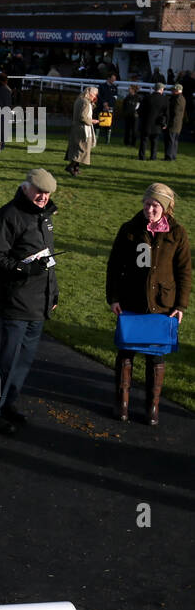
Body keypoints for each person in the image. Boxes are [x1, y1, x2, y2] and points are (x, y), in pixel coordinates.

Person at [0, 169, 60, 435]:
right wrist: (25, 270)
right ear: (26, 188)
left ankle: (8, 403)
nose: (43, 197)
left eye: (47, 194)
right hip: (15, 301)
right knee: (6, 360)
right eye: (39, 192)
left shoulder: (44, 217)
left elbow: (48, 261)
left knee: (24, 361)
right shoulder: (8, 216)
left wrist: (53, 293)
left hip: (38, 303)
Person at [106, 183, 190, 424]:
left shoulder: (177, 233)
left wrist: (181, 305)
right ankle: (121, 403)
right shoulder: (129, 229)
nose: (150, 209)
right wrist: (113, 298)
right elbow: (114, 266)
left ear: (165, 208)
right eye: (147, 204)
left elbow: (184, 271)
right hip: (131, 301)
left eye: (155, 205)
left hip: (163, 304)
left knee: (156, 356)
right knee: (126, 353)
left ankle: (152, 407)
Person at [64, 85, 99, 177]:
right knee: (83, 149)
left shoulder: (79, 100)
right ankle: (71, 167)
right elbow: (83, 117)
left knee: (77, 148)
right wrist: (92, 121)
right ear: (91, 94)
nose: (95, 97)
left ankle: (76, 168)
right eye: (95, 94)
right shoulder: (86, 102)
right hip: (83, 129)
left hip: (76, 127)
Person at [141, 85, 167, 161]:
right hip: (157, 124)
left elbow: (141, 110)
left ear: (154, 89)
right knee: (155, 142)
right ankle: (153, 157)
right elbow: (167, 113)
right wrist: (165, 123)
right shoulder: (165, 99)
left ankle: (142, 156)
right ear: (161, 89)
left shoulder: (147, 97)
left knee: (144, 141)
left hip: (146, 123)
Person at [119, 85, 141, 153]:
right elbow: (124, 106)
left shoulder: (138, 98)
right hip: (127, 116)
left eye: (130, 89)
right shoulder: (127, 97)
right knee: (127, 129)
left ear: (133, 90)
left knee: (134, 130)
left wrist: (137, 113)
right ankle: (126, 142)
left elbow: (139, 107)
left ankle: (133, 143)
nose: (129, 89)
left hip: (134, 116)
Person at [167, 88, 185, 161]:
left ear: (177, 90)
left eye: (173, 90)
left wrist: (170, 122)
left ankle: (169, 157)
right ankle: (173, 156)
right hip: (178, 123)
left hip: (174, 123)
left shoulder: (177, 99)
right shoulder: (182, 98)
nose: (171, 91)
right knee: (175, 141)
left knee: (171, 140)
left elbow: (175, 112)